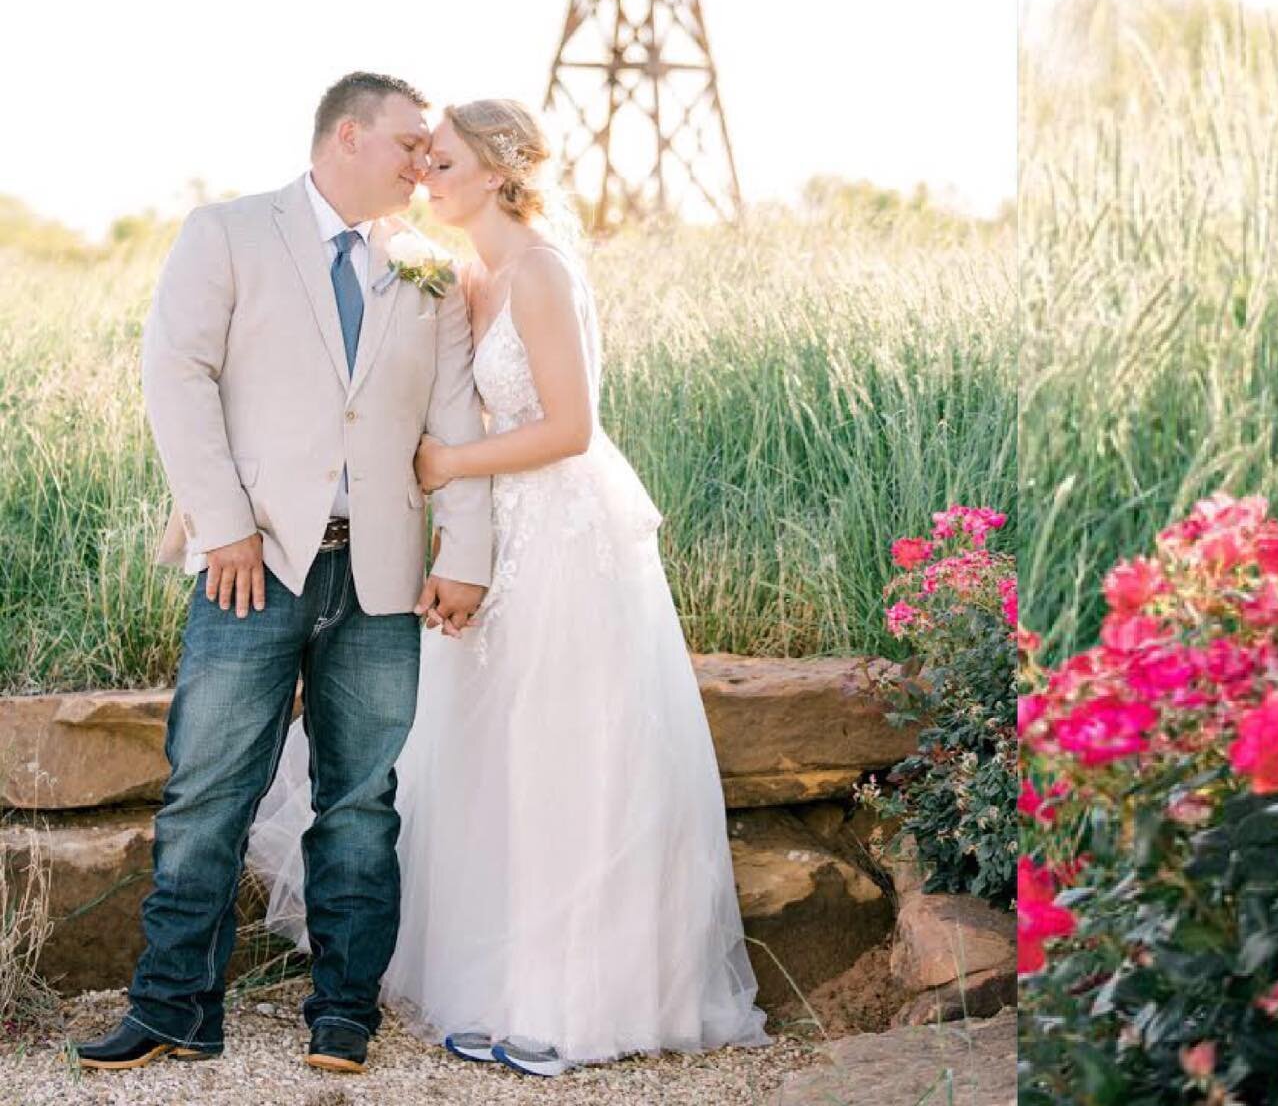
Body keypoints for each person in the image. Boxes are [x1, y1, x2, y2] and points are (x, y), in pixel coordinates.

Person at [246, 98, 770, 1077]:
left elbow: (571, 427)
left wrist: (445, 465)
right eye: (423, 159)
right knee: (496, 757)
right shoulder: (466, 275)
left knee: (566, 759)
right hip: (499, 539)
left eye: (441, 162)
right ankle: (497, 980)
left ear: (495, 170)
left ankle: (571, 1003)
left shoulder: (540, 272)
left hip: (568, 536)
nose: (424, 176)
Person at [76, 73, 493, 1074]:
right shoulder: (228, 232)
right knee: (208, 792)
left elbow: (456, 420)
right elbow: (177, 374)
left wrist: (466, 556)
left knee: (361, 800)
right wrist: (221, 528)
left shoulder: (428, 272)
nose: (422, 162)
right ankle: (175, 1005)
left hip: (382, 576)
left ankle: (344, 1013)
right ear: (346, 136)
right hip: (249, 565)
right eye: (407, 143)